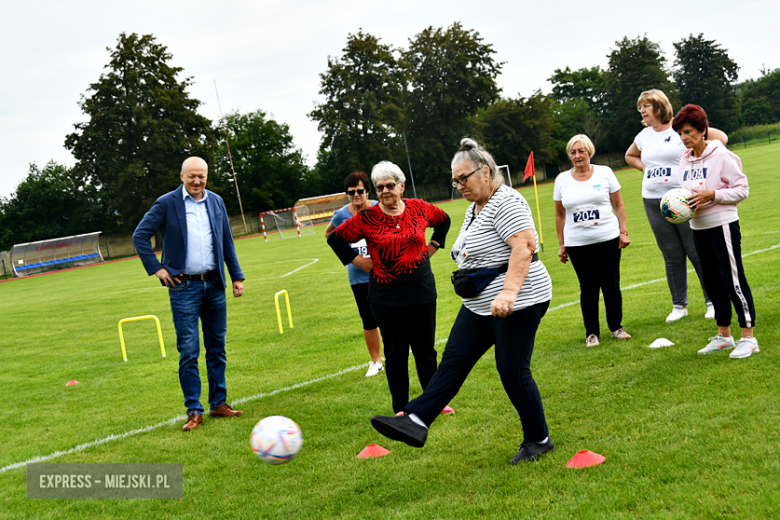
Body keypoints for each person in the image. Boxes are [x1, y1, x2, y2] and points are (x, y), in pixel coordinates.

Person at [369, 138, 554, 464]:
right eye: (455, 181)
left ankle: (539, 439)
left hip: (519, 301)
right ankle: (416, 420)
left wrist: (509, 292)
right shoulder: (476, 206)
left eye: (463, 179)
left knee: (512, 370)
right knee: (453, 361)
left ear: (485, 172)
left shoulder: (507, 202)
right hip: (480, 304)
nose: (459, 186)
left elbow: (524, 246)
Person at [327, 161, 452, 414]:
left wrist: (433, 246)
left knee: (425, 350)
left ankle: (434, 404)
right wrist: (360, 262)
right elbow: (335, 238)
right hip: (386, 297)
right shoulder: (367, 218)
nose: (385, 191)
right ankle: (401, 408)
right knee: (396, 353)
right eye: (380, 187)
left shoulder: (419, 208)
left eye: (390, 185)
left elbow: (444, 220)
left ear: (401, 186)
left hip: (422, 292)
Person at [132, 157, 245, 431]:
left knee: (217, 348)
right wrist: (158, 270)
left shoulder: (216, 201)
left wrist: (237, 276)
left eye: (202, 177)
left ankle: (218, 403)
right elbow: (140, 235)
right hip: (183, 287)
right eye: (191, 176)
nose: (197, 181)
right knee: (189, 351)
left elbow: (226, 241)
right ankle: (194, 410)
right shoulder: (167, 203)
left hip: (215, 284)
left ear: (207, 177)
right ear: (181, 175)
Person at [625, 89, 728, 323]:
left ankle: (712, 301)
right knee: (671, 254)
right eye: (640, 106)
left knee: (697, 251)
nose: (642, 110)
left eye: (646, 105)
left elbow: (721, 138)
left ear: (660, 106)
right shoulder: (643, 136)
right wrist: (646, 169)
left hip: (684, 199)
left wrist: (700, 161)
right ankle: (679, 305)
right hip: (653, 201)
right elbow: (630, 156)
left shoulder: (681, 127)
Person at [672, 104, 759, 358]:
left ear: (702, 130)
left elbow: (742, 189)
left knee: (734, 280)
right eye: (680, 133)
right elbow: (687, 193)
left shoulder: (721, 155)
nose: (684, 138)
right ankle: (724, 335)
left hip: (723, 225)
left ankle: (748, 337)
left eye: (688, 132)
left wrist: (714, 195)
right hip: (697, 227)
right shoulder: (684, 160)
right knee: (712, 282)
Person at [555, 134, 631, 347]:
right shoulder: (562, 179)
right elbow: (560, 215)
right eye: (573, 152)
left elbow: (619, 205)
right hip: (577, 244)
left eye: (581, 151)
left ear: (589, 152)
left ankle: (616, 327)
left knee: (611, 284)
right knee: (588, 288)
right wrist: (562, 244)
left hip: (607, 238)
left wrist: (623, 231)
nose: (577, 156)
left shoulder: (605, 173)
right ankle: (592, 333)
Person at [324, 172, 384, 377]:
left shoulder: (378, 207)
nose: (356, 195)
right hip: (358, 277)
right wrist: (354, 257)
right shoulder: (341, 214)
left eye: (360, 191)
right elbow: (329, 234)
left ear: (367, 191)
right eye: (351, 192)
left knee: (392, 314)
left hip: (385, 273)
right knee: (368, 319)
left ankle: (394, 354)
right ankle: (376, 361)